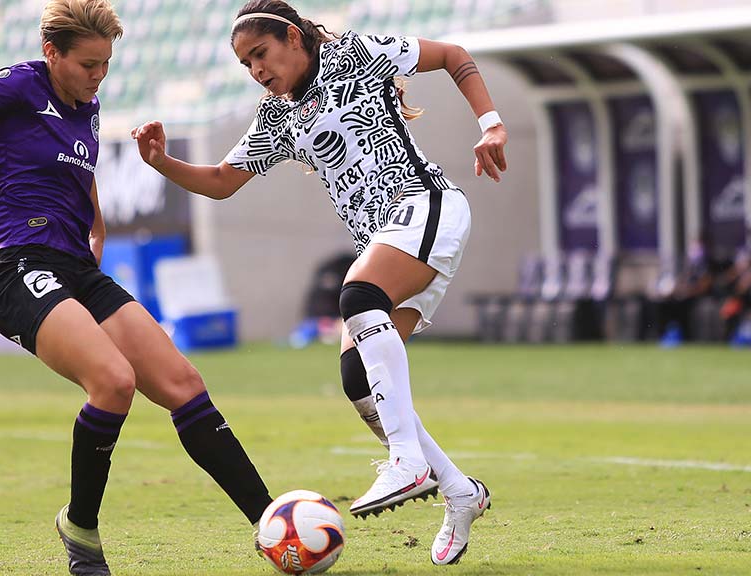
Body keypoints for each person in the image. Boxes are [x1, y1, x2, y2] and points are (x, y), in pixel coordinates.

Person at [0, 2, 272, 574]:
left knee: (183, 384)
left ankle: (273, 522)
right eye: (89, 64)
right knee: (113, 382)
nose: (98, 75)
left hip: (77, 269)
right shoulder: (18, 86)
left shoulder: (87, 104)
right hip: (16, 267)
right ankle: (81, 531)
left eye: (106, 64)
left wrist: (98, 224)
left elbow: (82, 175)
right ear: (52, 54)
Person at [132, 0, 507, 565]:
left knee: (357, 296)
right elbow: (219, 183)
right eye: (245, 64)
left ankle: (407, 461)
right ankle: (459, 492)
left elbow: (453, 56)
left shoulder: (353, 55)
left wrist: (490, 123)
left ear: (293, 37)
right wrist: (162, 162)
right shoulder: (277, 116)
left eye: (260, 53)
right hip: (387, 240)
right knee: (359, 379)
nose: (257, 70)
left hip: (425, 206)